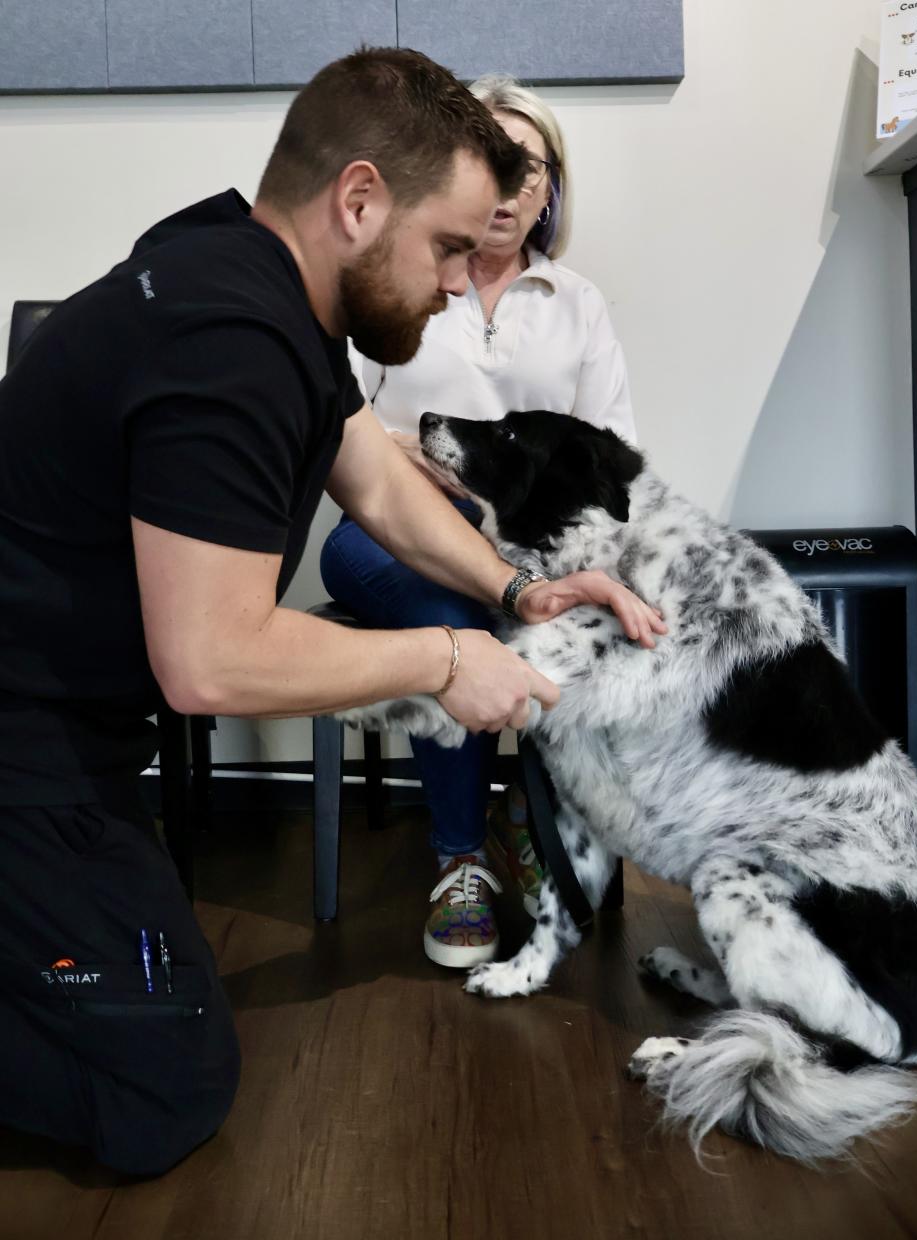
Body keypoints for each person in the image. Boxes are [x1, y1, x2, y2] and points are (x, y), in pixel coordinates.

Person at [0, 49, 663, 1176]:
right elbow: (209, 662)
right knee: (168, 1086)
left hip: (76, 744)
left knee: (153, 1010)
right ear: (359, 201)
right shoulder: (233, 344)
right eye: (449, 245)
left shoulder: (247, 271)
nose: (461, 282)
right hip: (24, 747)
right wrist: (450, 660)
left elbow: (383, 486)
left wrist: (516, 590)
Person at [320, 76, 644, 969]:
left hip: (531, 550)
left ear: (549, 187)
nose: (504, 186)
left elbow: (612, 455)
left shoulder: (577, 303)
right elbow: (342, 431)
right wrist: (437, 475)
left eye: (524, 166)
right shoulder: (396, 281)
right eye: (484, 163)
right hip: (388, 535)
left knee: (562, 613)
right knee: (452, 612)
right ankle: (461, 860)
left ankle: (538, 825)